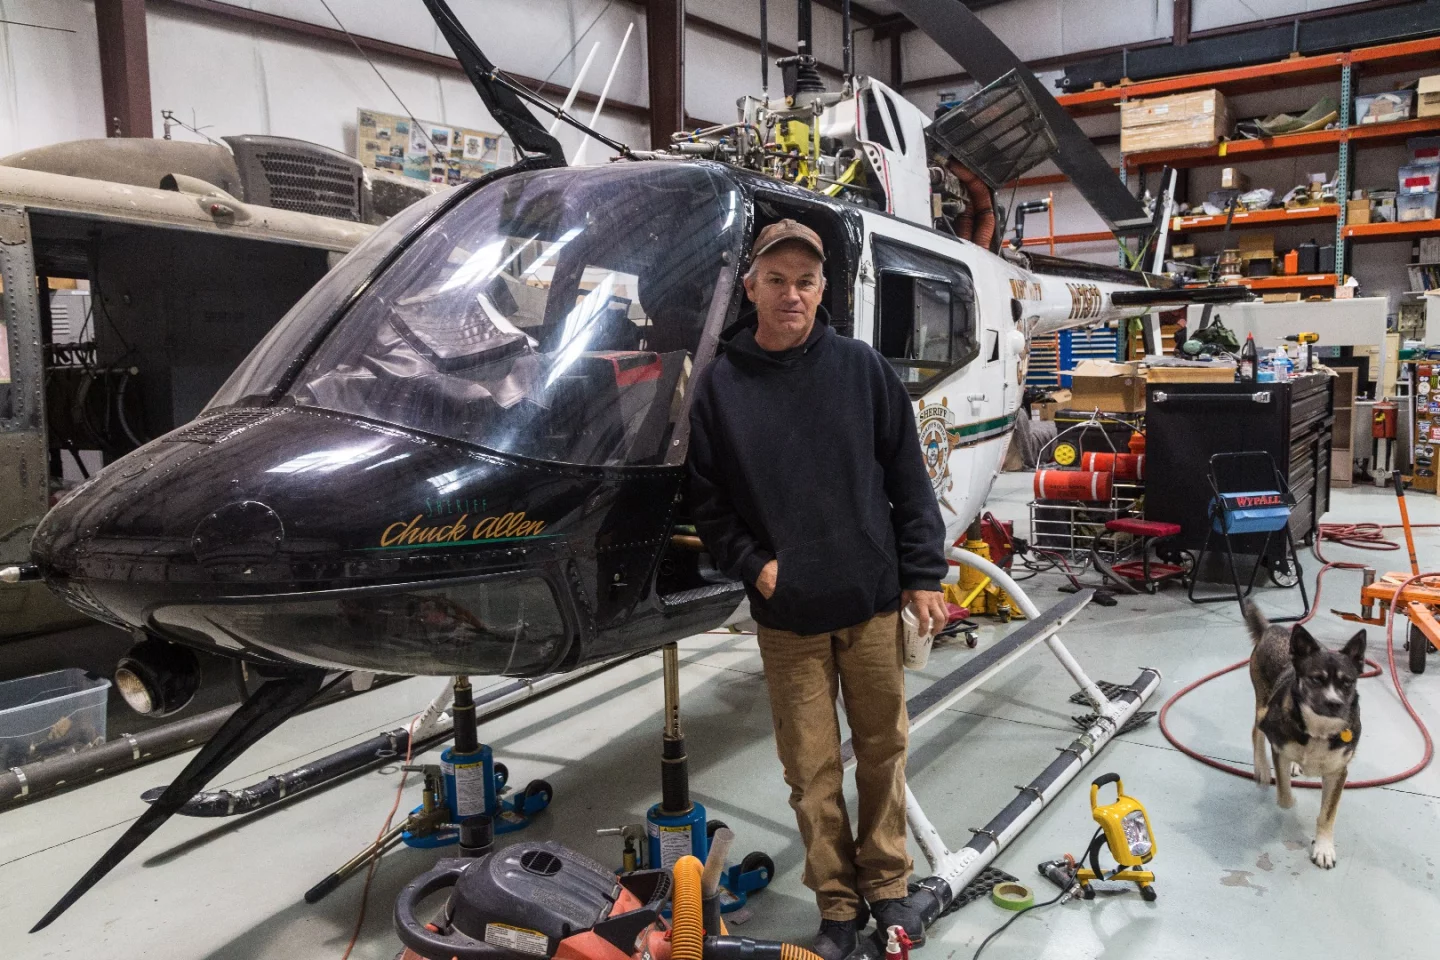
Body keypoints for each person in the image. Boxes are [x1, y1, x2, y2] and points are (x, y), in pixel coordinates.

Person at [687, 220, 949, 960]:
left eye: (806, 281)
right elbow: (709, 503)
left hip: (869, 605)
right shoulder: (722, 386)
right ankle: (837, 904)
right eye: (776, 280)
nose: (791, 294)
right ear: (751, 289)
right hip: (789, 615)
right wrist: (756, 565)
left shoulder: (862, 370)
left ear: (823, 290)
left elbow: (908, 480)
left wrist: (922, 573)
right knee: (809, 774)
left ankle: (890, 889)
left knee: (883, 752)